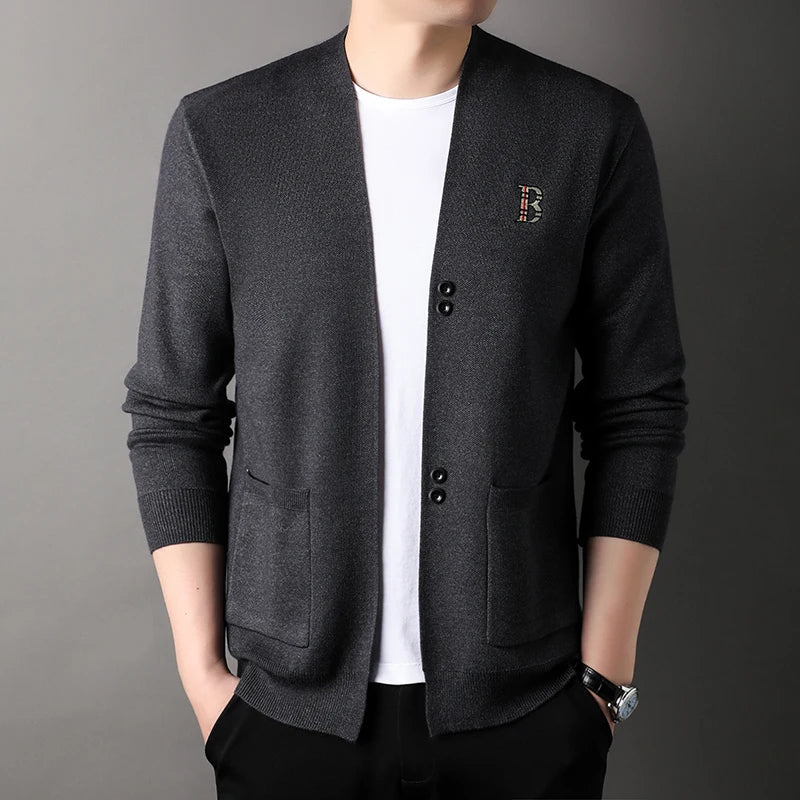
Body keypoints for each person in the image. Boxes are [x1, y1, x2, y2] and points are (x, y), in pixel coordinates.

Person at [121, 1, 689, 798]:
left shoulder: (585, 130)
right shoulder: (225, 132)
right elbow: (173, 415)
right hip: (287, 713)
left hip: (526, 711)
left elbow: (639, 409)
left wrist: (603, 682)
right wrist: (203, 680)